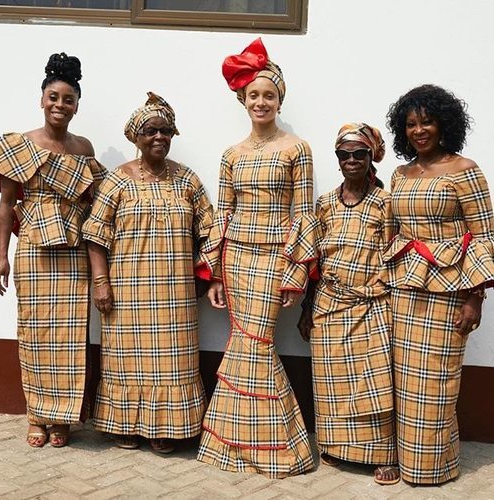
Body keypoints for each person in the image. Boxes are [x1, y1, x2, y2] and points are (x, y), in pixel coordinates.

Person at [196, 38, 316, 478]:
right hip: (237, 261)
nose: (260, 102)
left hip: (272, 263)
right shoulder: (232, 154)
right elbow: (223, 214)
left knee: (257, 346)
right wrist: (215, 277)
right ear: (243, 101)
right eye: (253, 96)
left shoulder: (296, 149)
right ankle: (234, 446)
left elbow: (303, 214)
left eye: (268, 95)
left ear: (279, 99)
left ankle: (273, 449)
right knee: (242, 344)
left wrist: (294, 271)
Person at [82, 92, 212, 454]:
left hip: (175, 294)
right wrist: (100, 282)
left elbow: (211, 230)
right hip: (127, 293)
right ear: (136, 137)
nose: (159, 137)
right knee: (126, 362)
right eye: (151, 131)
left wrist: (204, 273)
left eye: (166, 131)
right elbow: (95, 235)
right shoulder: (118, 181)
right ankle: (125, 424)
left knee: (174, 361)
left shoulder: (187, 180)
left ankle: (166, 428)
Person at [0, 53, 107, 448]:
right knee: (36, 330)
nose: (60, 105)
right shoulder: (21, 145)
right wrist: (1, 256)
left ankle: (63, 419)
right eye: (53, 97)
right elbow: (7, 205)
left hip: (73, 250)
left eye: (68, 99)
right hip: (35, 252)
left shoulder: (83, 146)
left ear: (77, 105)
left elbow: (95, 205)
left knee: (70, 333)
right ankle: (37, 416)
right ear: (42, 99)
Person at [384, 84, 494, 484]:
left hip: (449, 289)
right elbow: (392, 232)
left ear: (444, 123)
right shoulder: (400, 174)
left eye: (427, 121)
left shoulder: (465, 170)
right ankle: (402, 458)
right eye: (411, 123)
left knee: (436, 379)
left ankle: (432, 466)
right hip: (404, 287)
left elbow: (484, 235)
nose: (419, 130)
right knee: (403, 378)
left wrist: (475, 298)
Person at [297, 123, 399, 485]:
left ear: (372, 156)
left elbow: (396, 255)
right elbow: (314, 262)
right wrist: (307, 308)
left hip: (371, 304)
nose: (352, 160)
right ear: (337, 159)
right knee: (331, 382)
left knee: (373, 384)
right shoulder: (324, 203)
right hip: (329, 303)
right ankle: (336, 447)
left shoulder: (386, 203)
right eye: (345, 154)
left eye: (360, 153)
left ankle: (383, 455)